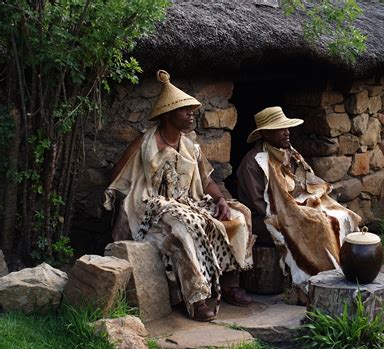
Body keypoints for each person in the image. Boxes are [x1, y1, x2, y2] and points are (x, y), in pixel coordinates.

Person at [104, 70, 253, 322]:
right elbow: (117, 177)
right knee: (184, 227)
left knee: (239, 215)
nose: (191, 114)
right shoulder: (145, 144)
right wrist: (122, 199)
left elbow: (205, 181)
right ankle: (196, 298)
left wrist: (219, 200)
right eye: (185, 110)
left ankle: (229, 283)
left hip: (188, 202)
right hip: (153, 206)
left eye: (191, 110)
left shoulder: (190, 146)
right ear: (168, 115)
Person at [236, 106, 362, 295]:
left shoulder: (288, 153)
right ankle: (318, 281)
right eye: (280, 129)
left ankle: (348, 270)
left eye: (287, 128)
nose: (287, 133)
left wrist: (306, 202)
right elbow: (261, 205)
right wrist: (296, 213)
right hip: (263, 219)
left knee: (342, 215)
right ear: (265, 133)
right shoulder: (254, 162)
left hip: (291, 207)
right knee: (318, 224)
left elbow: (302, 184)